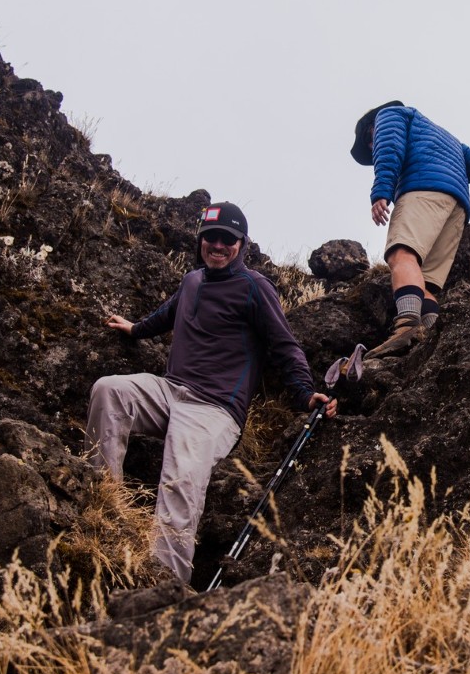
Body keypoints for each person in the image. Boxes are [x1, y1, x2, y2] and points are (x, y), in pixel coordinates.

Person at [86, 202, 336, 586]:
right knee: (109, 390)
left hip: (215, 410)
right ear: (201, 240)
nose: (218, 246)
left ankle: (165, 587)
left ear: (241, 245)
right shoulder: (192, 280)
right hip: (170, 391)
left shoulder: (255, 287)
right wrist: (136, 329)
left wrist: (305, 394)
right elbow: (170, 312)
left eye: (227, 240)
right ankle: (106, 506)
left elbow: (285, 346)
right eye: (211, 238)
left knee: (181, 479)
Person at [352, 101, 470, 358]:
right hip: (457, 210)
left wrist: (381, 191)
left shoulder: (389, 115)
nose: (372, 148)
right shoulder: (452, 141)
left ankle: (407, 326)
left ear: (370, 128)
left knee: (401, 255)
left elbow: (388, 146)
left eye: (369, 144)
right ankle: (428, 342)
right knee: (424, 283)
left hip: (421, 191)